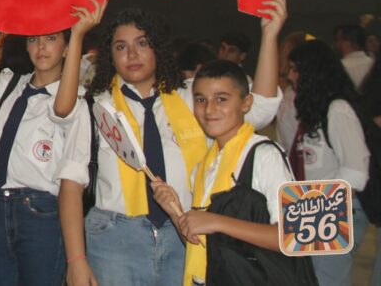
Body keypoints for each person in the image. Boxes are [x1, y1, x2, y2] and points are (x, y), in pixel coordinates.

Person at [79, 0, 285, 286]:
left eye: (142, 43)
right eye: (121, 46)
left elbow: (261, 107)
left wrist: (270, 36)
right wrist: (76, 259)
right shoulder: (96, 105)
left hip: (185, 232)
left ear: (158, 48)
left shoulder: (193, 96)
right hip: (116, 240)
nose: (132, 55)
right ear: (109, 55)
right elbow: (71, 179)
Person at [0, 0, 102, 286]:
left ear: (66, 48)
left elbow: (62, 109)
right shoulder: (8, 84)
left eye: (51, 39)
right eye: (34, 39)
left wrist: (77, 35)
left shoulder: (75, 100)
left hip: (41, 213)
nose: (41, 47)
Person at [151, 59, 309, 286]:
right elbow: (205, 247)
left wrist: (217, 221)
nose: (209, 109)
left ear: (246, 103)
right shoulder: (204, 166)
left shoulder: (264, 156)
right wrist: (176, 213)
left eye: (221, 99)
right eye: (201, 100)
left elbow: (294, 236)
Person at [277, 39, 370, 285]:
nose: (290, 75)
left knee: (326, 279)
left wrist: (321, 207)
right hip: (314, 206)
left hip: (335, 208)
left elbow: (356, 171)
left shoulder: (338, 109)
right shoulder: (313, 109)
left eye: (295, 69)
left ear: (312, 72)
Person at [333, 24, 373, 91]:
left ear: (346, 42)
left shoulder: (339, 67)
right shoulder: (374, 62)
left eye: (337, 39)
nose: (335, 44)